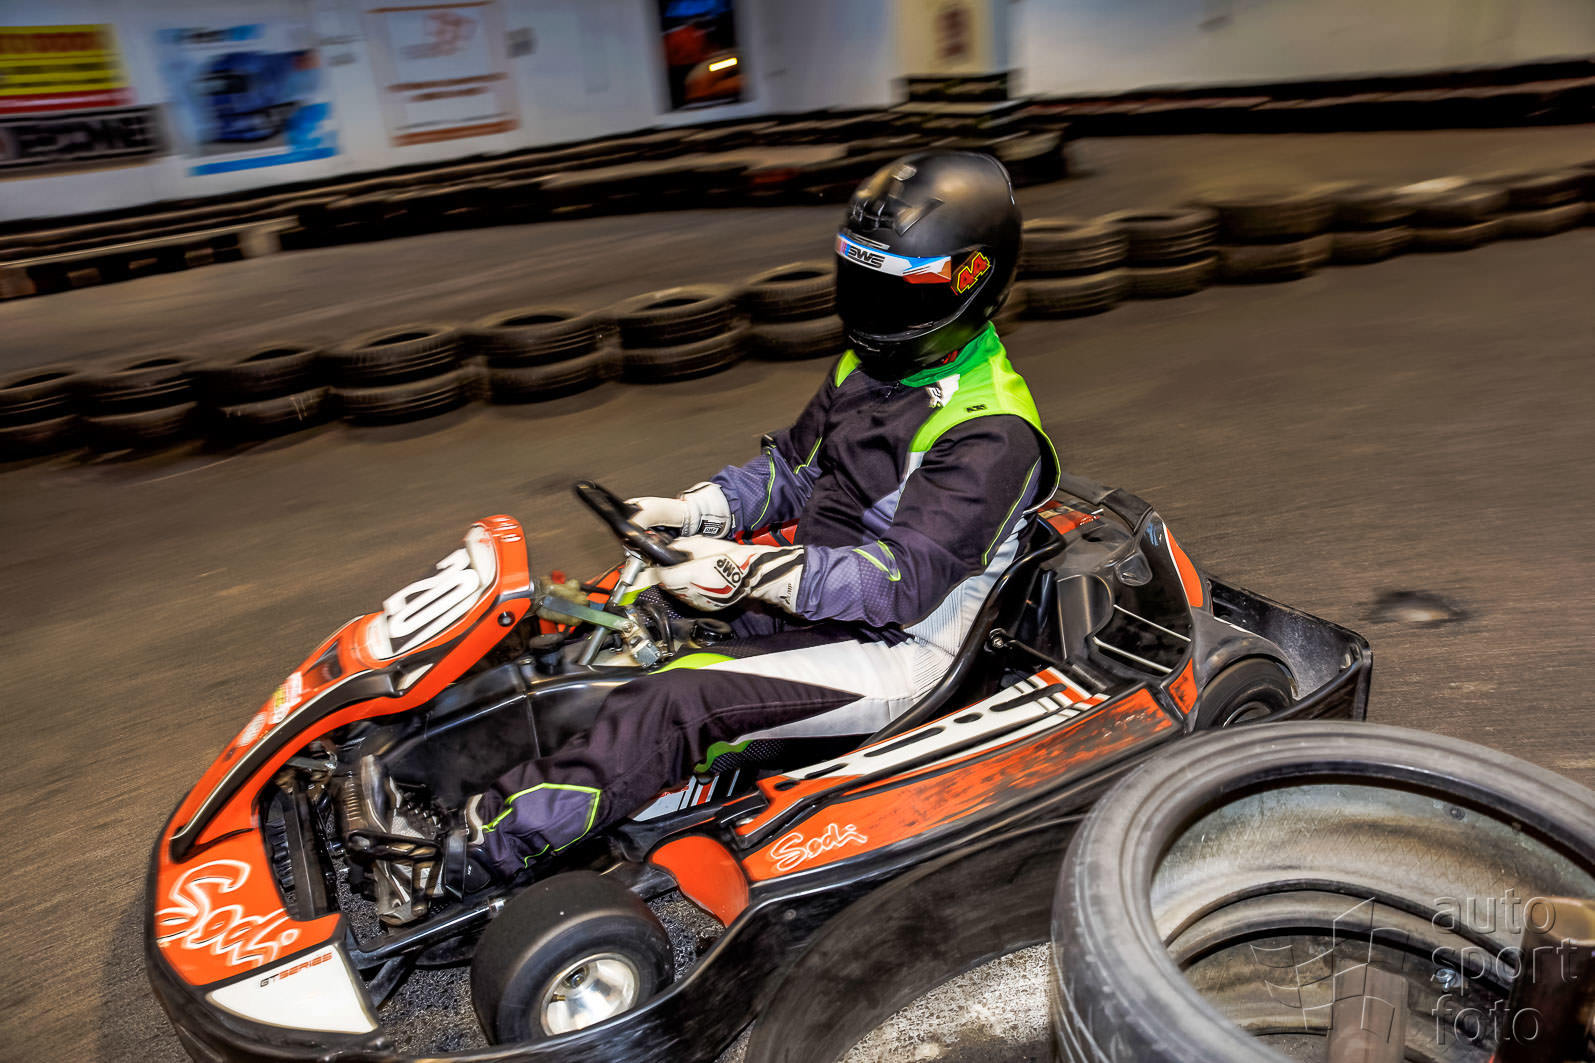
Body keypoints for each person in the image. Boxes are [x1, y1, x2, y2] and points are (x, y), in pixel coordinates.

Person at [454, 150, 1058, 888]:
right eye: (860, 282)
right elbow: (791, 472)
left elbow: (899, 584)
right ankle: (487, 757)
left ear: (971, 282)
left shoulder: (991, 430)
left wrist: (747, 571)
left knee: (678, 699)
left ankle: (481, 849)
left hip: (900, 647)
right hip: (820, 596)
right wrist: (691, 510)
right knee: (629, 620)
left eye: (894, 291)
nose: (869, 311)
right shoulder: (870, 366)